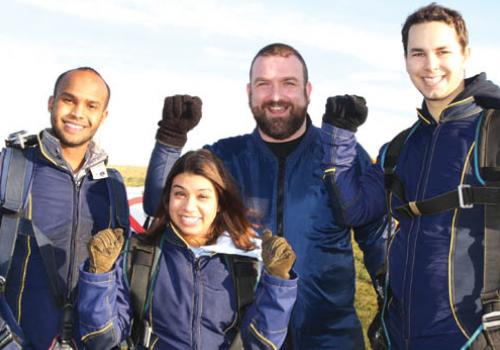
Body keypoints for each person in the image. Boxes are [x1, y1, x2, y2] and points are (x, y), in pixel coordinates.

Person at [143, 43, 387, 349]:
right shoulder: (225, 157)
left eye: (288, 83)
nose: (275, 96)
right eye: (263, 84)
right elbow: (160, 204)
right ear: (249, 92)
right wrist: (170, 139)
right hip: (249, 336)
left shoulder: (341, 156)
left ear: (307, 90)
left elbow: (376, 230)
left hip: (331, 336)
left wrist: (391, 300)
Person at [321, 3, 500, 349]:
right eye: (418, 53)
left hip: (477, 337)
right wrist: (340, 135)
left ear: (465, 54)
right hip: (399, 334)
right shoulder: (401, 147)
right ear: (405, 60)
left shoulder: (494, 130)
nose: (430, 65)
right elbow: (354, 210)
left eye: (442, 51)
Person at [77, 149, 297, 349]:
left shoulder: (248, 260)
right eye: (180, 194)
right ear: (168, 198)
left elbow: (262, 343)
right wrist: (99, 276)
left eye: (202, 196)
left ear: (219, 202)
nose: (189, 207)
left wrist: (278, 281)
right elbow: (101, 338)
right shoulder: (137, 256)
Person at [0, 67, 129, 349]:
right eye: (69, 100)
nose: (78, 113)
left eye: (91, 105)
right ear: (51, 102)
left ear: (103, 116)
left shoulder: (112, 187)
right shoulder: (10, 169)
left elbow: (121, 283)